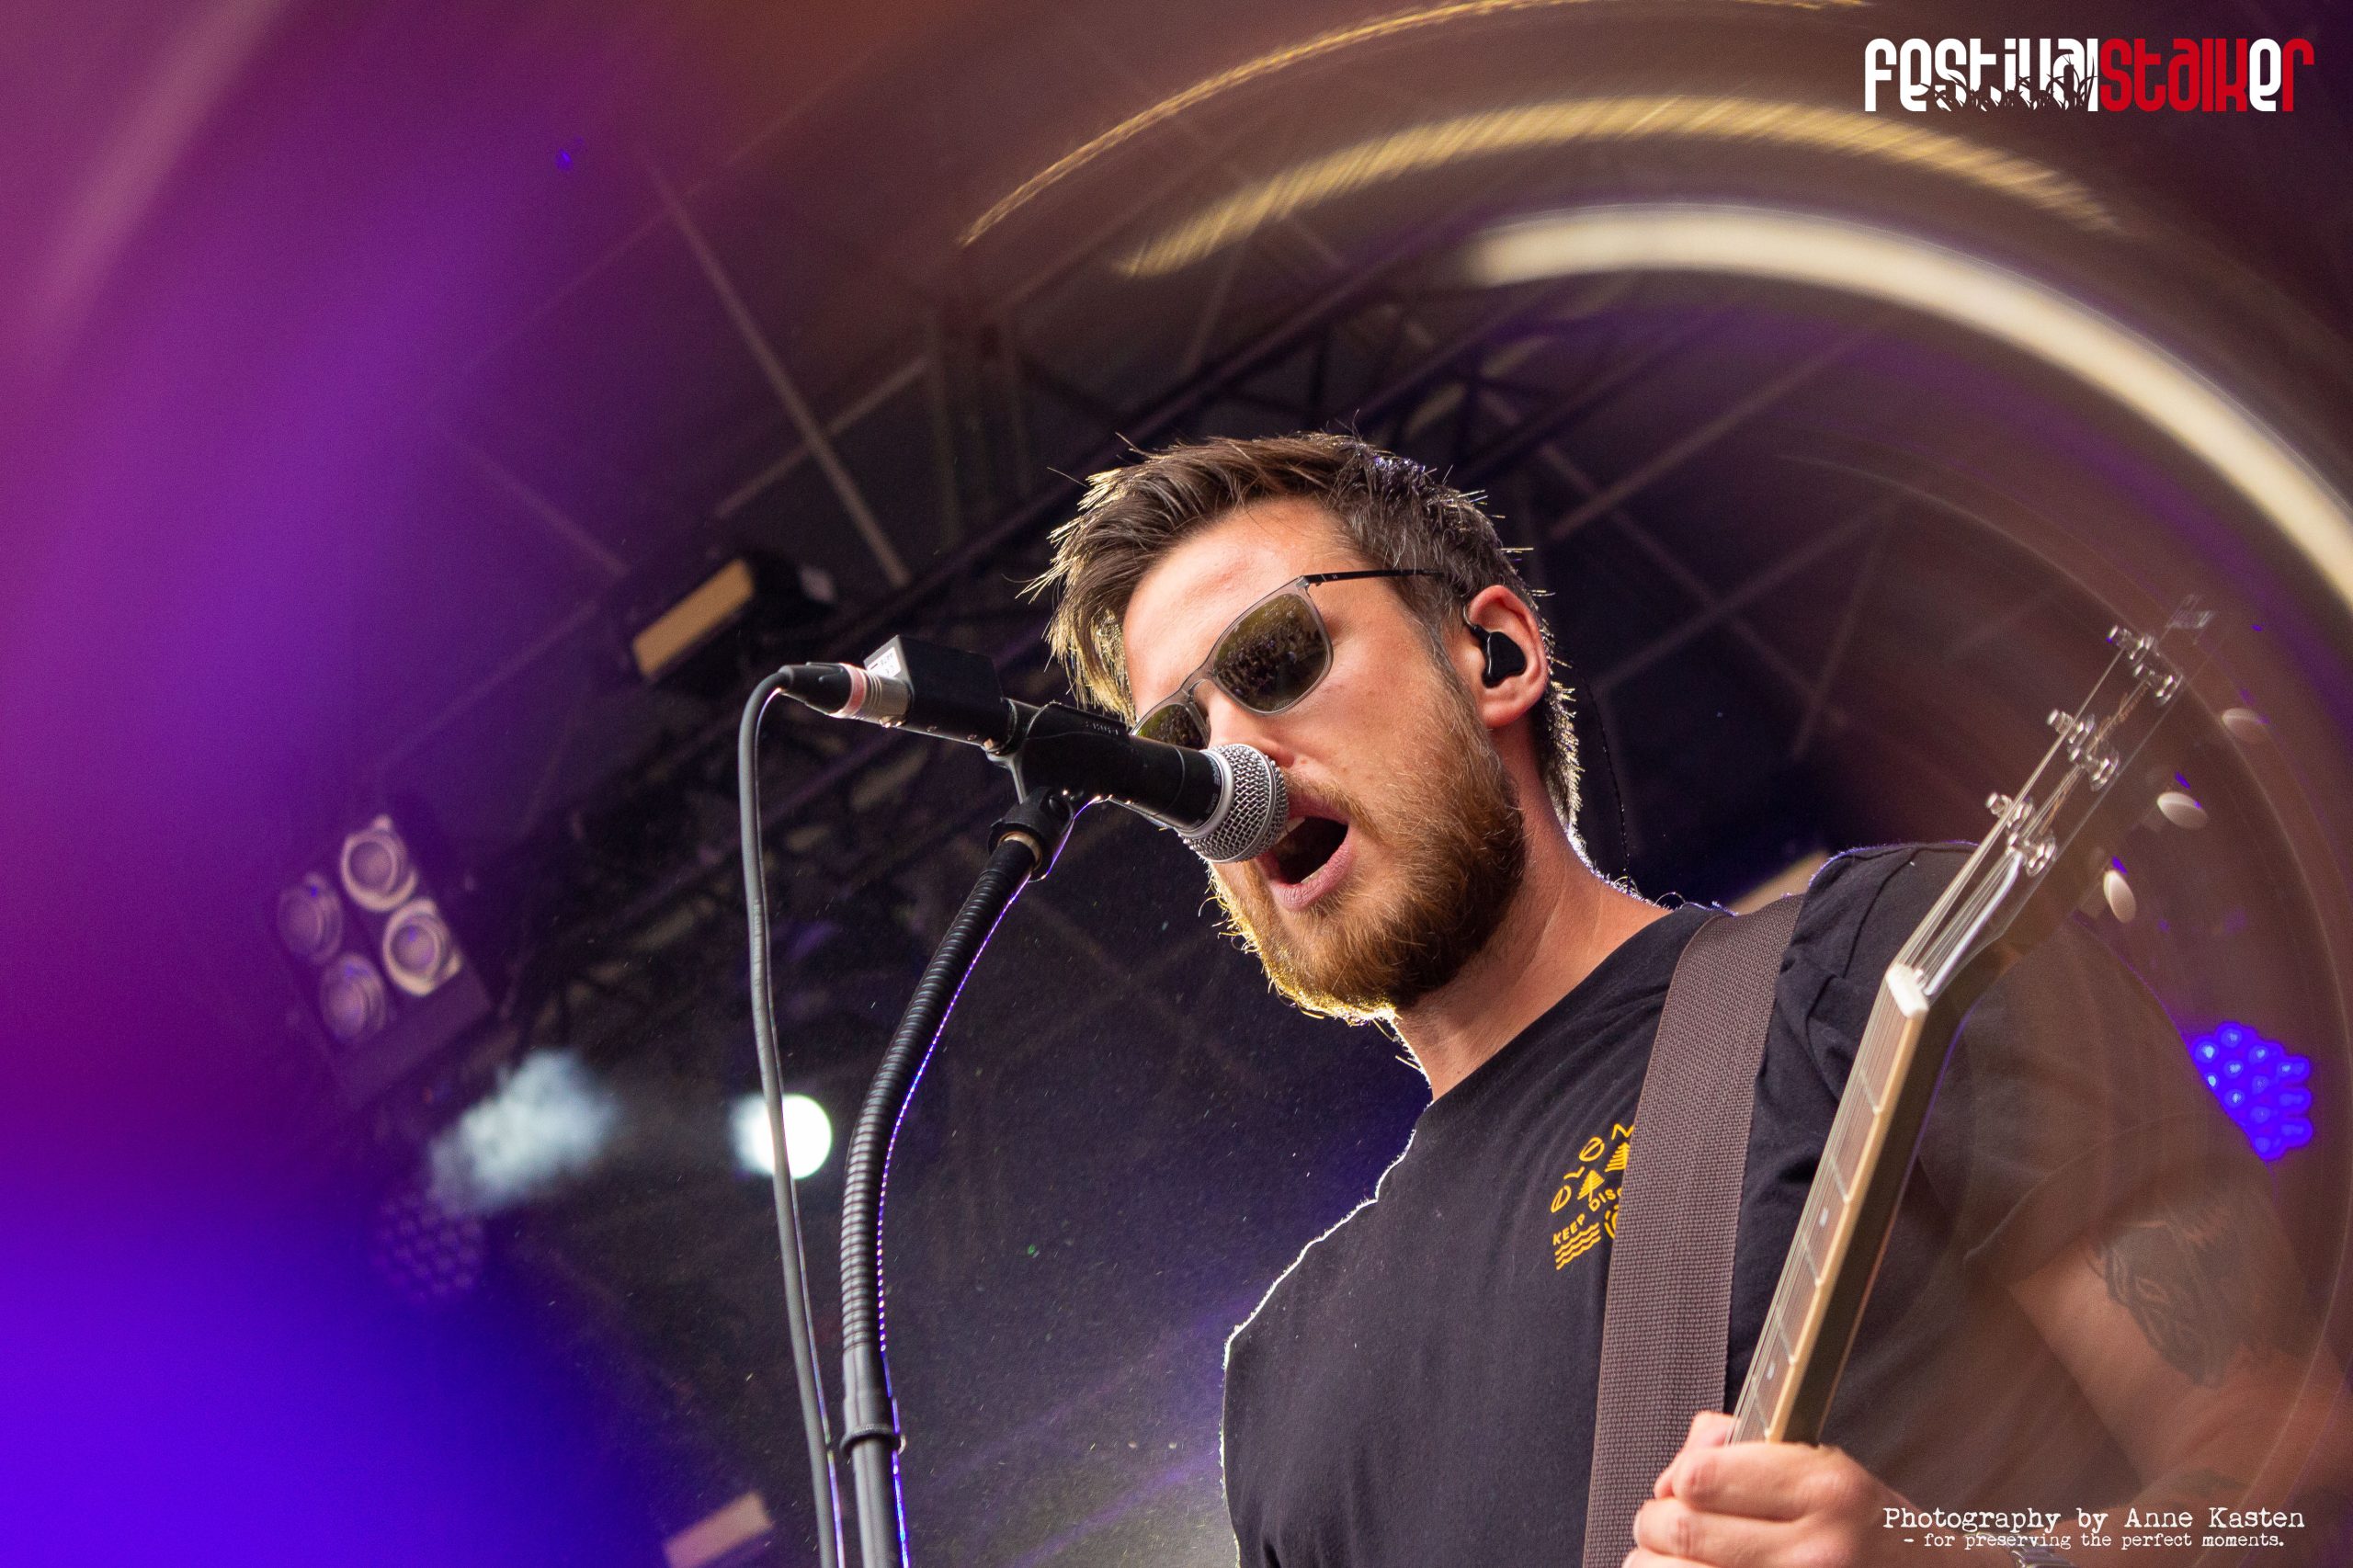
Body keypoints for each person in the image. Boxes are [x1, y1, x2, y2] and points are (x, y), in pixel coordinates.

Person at [1032, 431, 2349, 1567]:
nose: (1231, 763)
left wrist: (1958, 1554)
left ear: (1495, 651)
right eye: (1173, 748)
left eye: (1275, 658)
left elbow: (2300, 1484)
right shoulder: (1283, 1388)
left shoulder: (1886, 967)